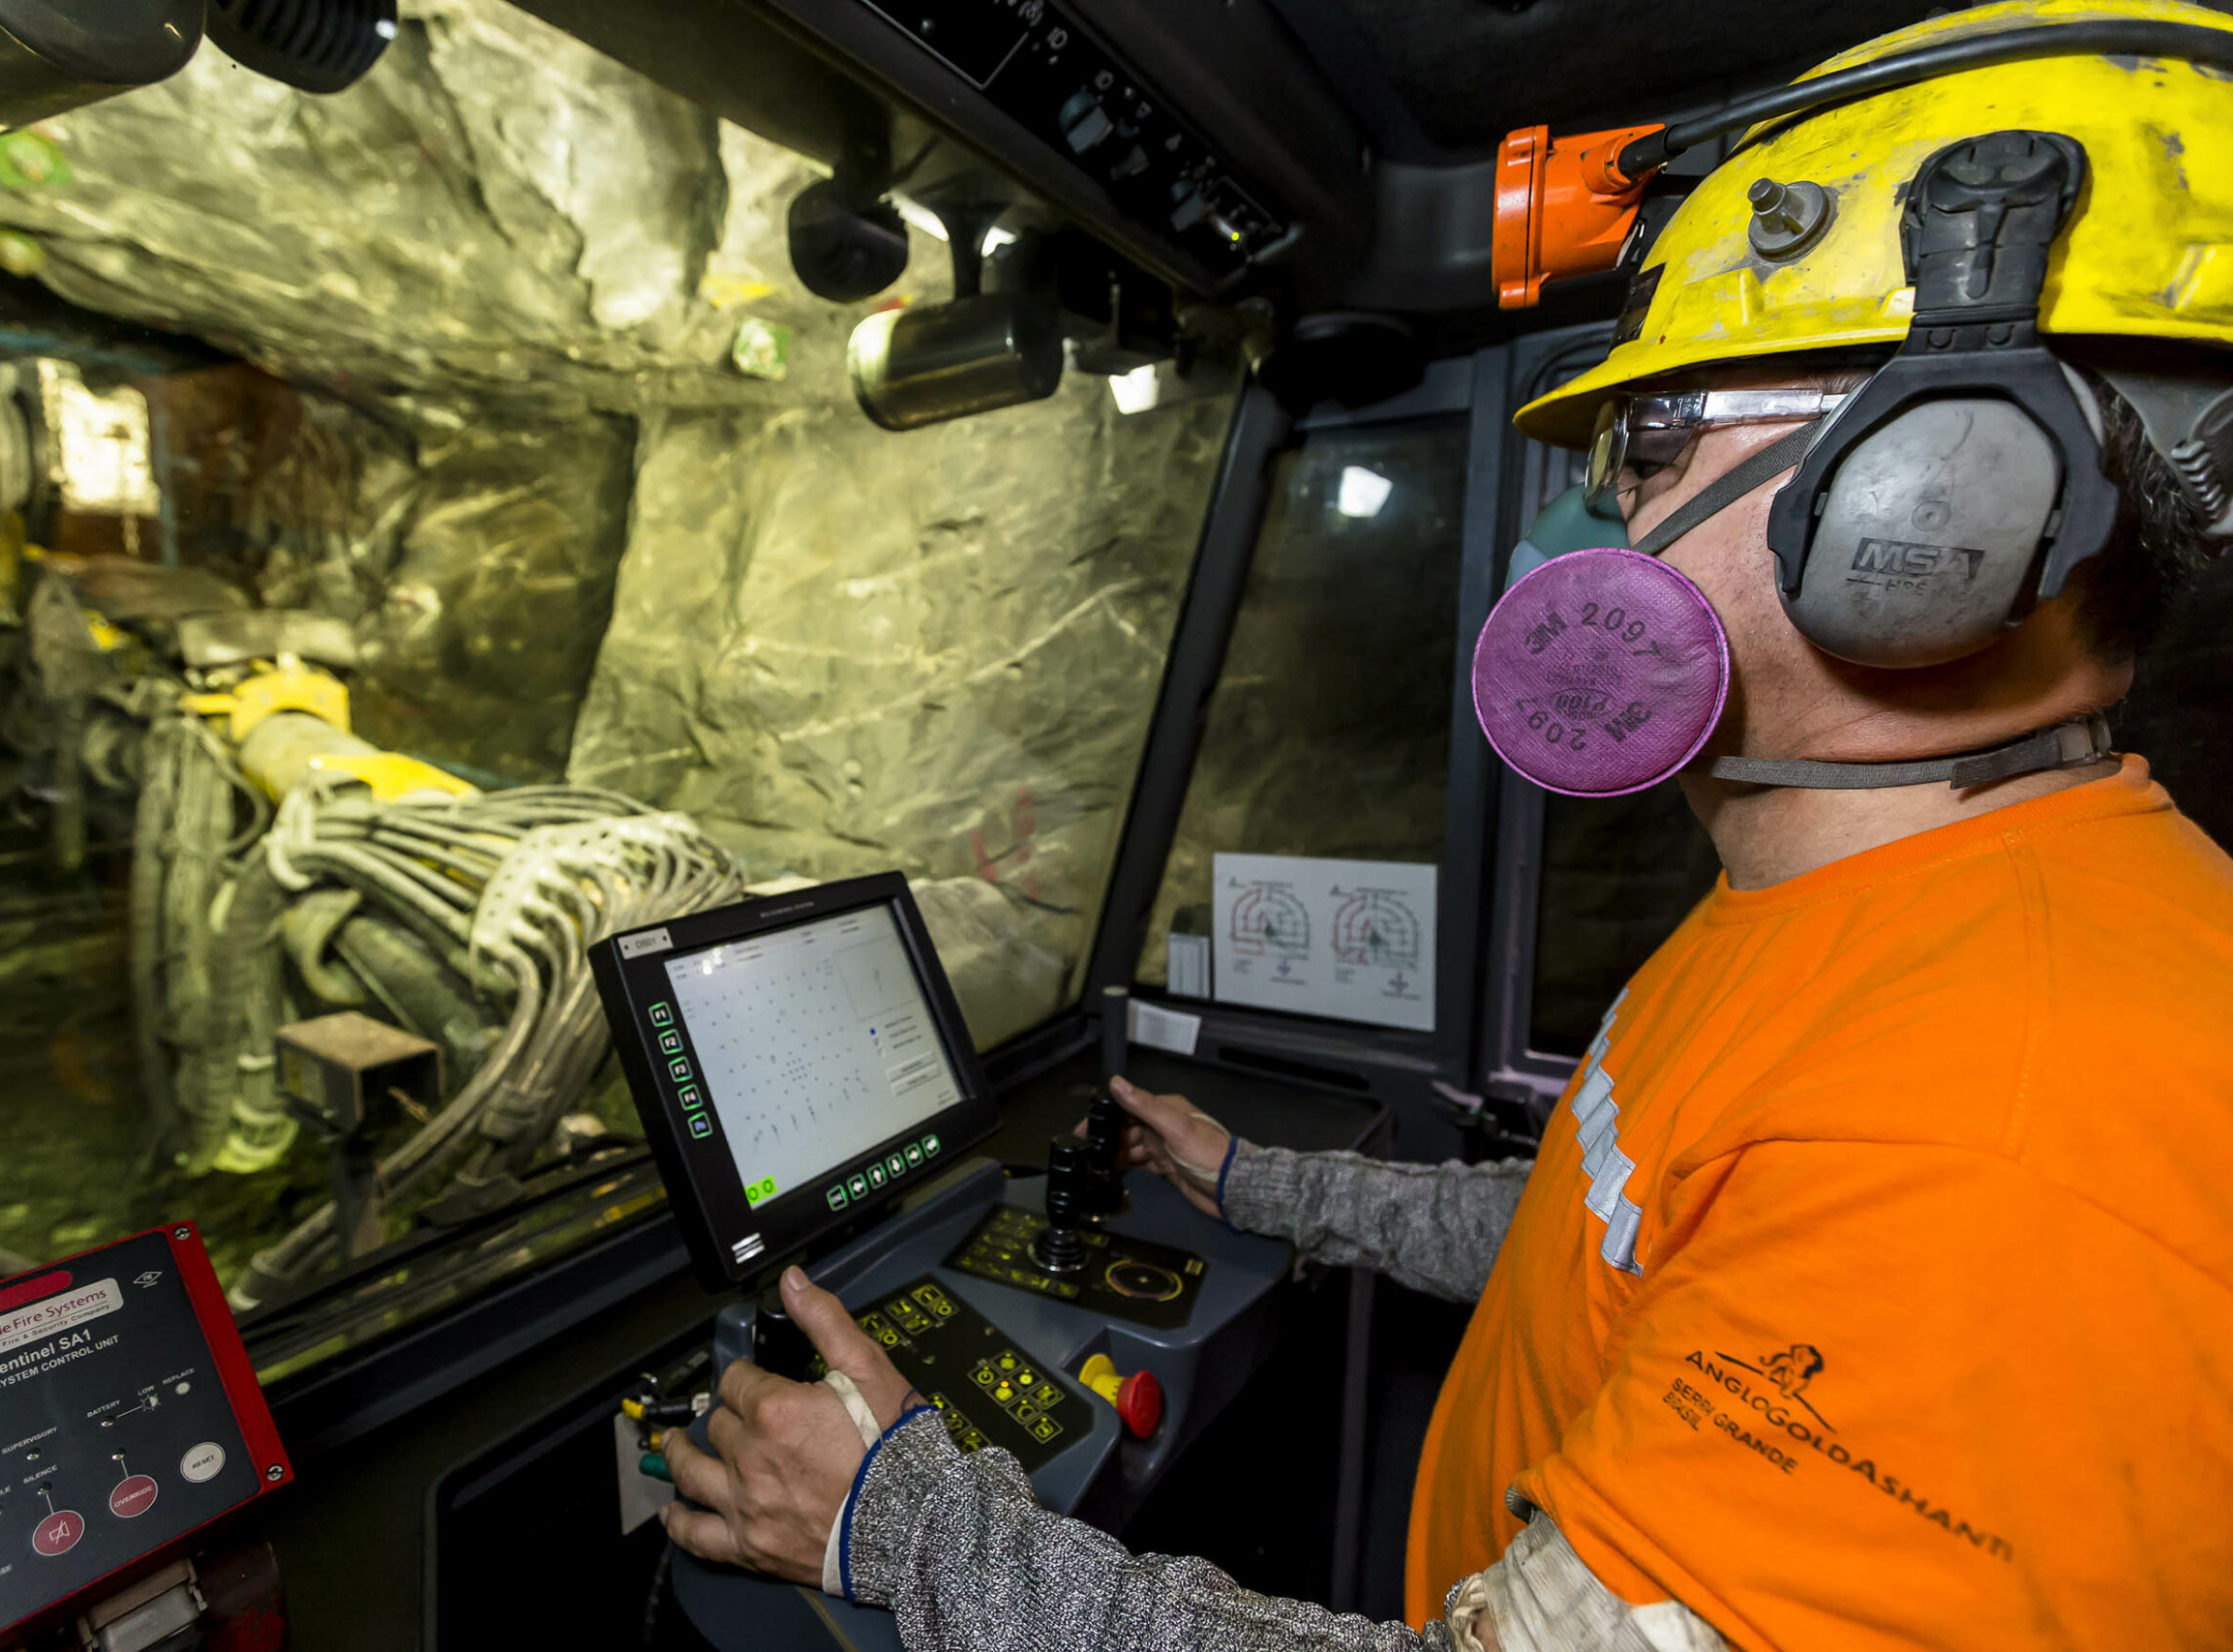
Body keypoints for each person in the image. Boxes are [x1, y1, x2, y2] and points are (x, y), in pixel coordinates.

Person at [658, 2, 2233, 1644]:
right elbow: (1607, 1223)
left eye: (1654, 442)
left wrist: (906, 1528)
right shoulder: (1858, 901)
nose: (1599, 522)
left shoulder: (2031, 1138)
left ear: (1935, 497)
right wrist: (1276, 1186)